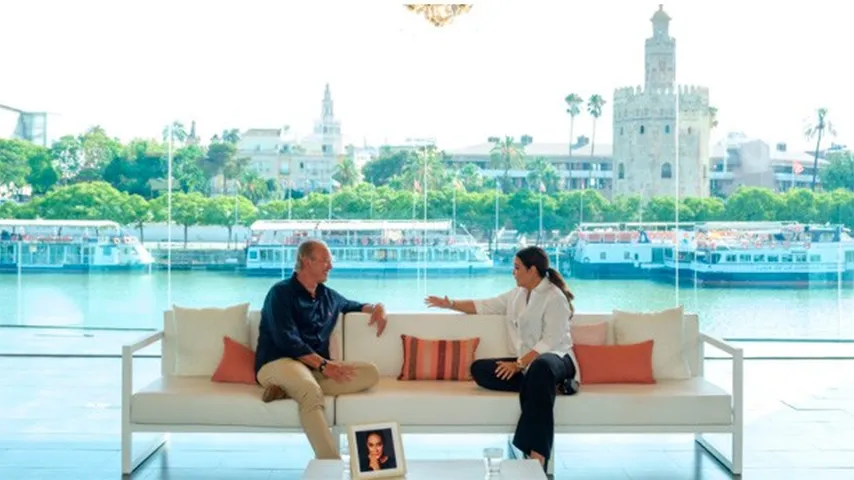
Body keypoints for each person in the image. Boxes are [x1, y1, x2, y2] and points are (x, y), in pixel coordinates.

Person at [424, 246, 578, 471]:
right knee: (479, 369)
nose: (513, 272)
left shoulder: (554, 297)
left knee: (541, 368)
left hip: (557, 359)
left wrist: (518, 365)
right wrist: (450, 304)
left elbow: (550, 342)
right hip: (528, 365)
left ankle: (538, 455)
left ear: (532, 270)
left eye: (516, 268)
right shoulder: (515, 295)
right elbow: (483, 306)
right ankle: (547, 387)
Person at [254, 239, 387, 460]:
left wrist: (378, 307)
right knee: (310, 391)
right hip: (278, 362)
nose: (330, 266)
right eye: (325, 260)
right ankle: (331, 464)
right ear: (306, 261)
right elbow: (287, 340)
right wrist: (324, 365)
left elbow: (356, 305)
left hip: (313, 368)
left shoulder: (329, 296)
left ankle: (287, 389)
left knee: (369, 373)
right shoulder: (280, 293)